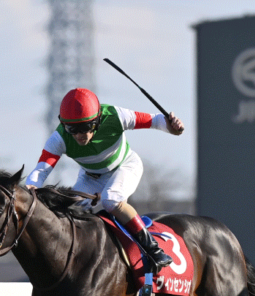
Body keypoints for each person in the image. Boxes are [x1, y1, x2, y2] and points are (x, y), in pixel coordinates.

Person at [24, 87, 184, 271]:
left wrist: (173, 127)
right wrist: (30, 188)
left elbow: (156, 120)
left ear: (98, 120)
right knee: (68, 211)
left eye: (85, 128)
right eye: (72, 129)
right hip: (90, 177)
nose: (79, 135)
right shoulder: (59, 138)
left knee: (111, 199)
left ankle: (154, 250)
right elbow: (41, 170)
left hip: (125, 166)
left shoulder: (115, 116)